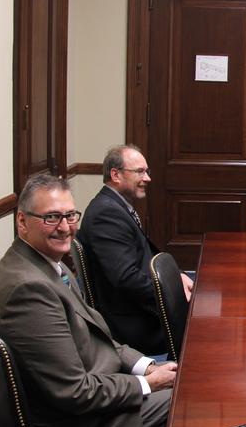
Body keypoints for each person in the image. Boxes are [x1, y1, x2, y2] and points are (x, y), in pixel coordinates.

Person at [0, 175, 176, 427]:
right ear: (22, 221)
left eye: (70, 215)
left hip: (95, 395)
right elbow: (75, 393)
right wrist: (147, 385)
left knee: (184, 388)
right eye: (51, 217)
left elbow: (101, 339)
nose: (65, 226)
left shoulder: (42, 265)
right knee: (189, 407)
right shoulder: (28, 290)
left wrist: (148, 366)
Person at [76, 144, 193, 355]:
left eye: (147, 171)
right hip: (134, 324)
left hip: (136, 308)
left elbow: (146, 253)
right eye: (140, 171)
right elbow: (126, 278)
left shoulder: (115, 206)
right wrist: (172, 294)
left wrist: (178, 276)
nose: (147, 178)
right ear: (116, 175)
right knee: (203, 325)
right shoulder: (106, 215)